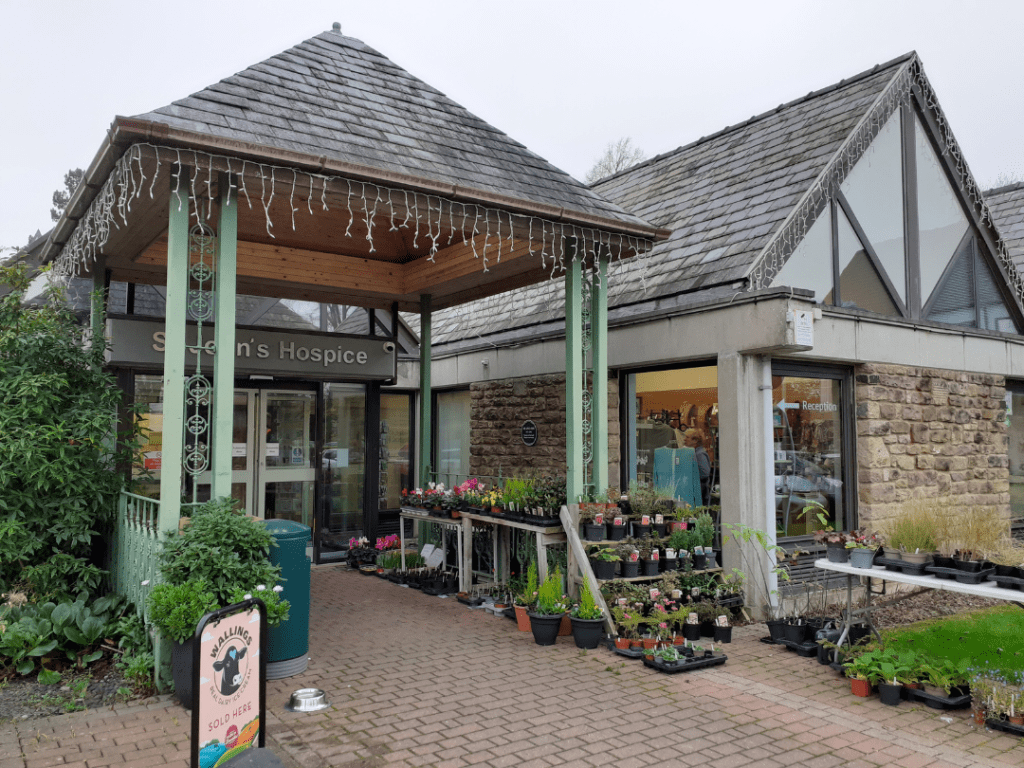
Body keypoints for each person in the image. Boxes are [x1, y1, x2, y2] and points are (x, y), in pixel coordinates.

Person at [683, 428, 711, 506]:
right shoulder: (694, 453)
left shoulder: (699, 454)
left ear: (695, 441)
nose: (684, 439)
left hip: (700, 496)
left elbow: (705, 473)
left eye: (687, 437)